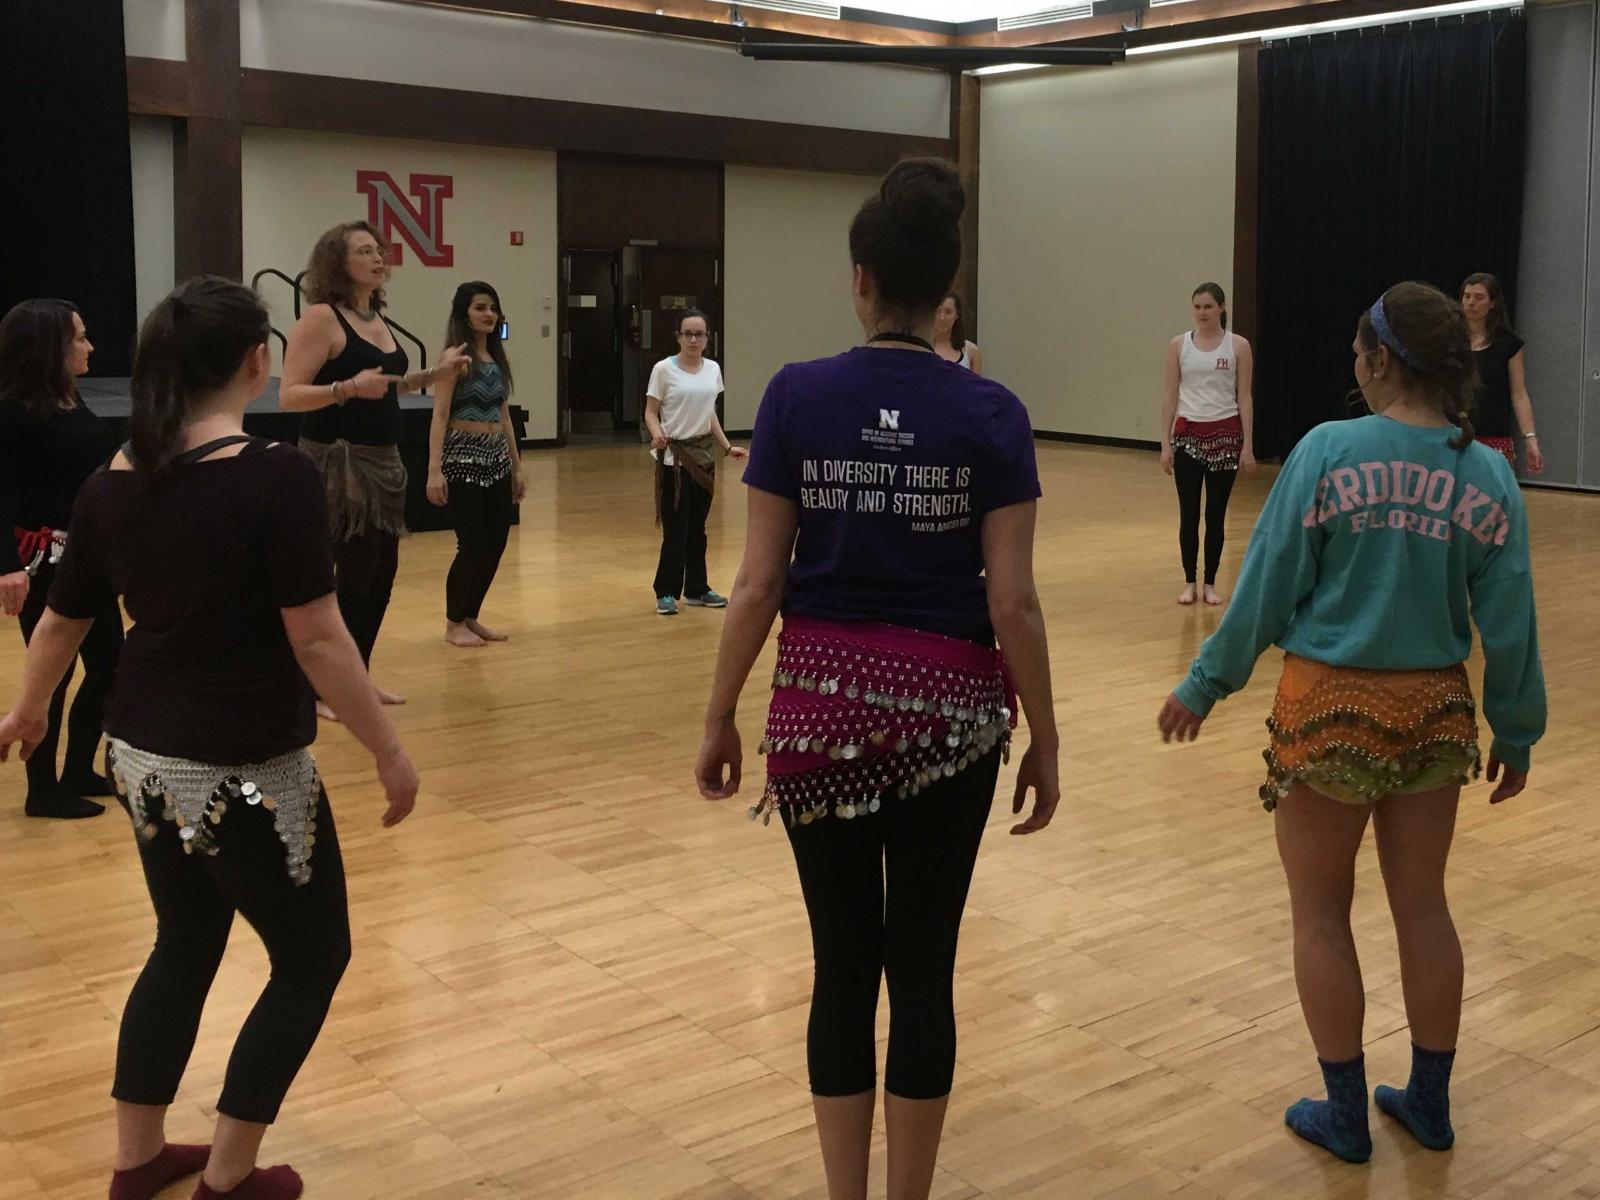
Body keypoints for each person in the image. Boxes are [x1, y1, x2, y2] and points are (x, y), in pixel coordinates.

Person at [0, 278, 420, 1200]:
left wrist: (29, 709)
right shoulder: (274, 475)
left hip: (143, 757)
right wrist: (387, 748)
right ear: (255, 362)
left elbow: (62, 623)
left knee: (185, 941)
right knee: (313, 957)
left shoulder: (117, 473)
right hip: (244, 764)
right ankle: (229, 1179)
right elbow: (317, 637)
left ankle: (138, 1158)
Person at [695, 158, 1060, 1200]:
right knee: (924, 965)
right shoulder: (992, 414)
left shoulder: (796, 395)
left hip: (817, 715)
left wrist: (719, 715)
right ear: (943, 289)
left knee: (843, 964)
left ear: (860, 281)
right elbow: (1012, 602)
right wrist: (1045, 734)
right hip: (954, 720)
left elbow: (759, 582)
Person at [1158, 281, 1545, 1165]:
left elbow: (1266, 585)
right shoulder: (1485, 473)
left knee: (1321, 912)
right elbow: (1512, 623)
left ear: (1379, 361)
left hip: (1328, 711)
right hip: (1437, 716)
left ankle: (1342, 1112)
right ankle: (1430, 1103)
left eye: (1356, 354)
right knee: (1423, 910)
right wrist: (1516, 732)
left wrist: (1205, 682)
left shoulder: (1329, 452)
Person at [279, 221, 469, 710]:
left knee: (381, 573)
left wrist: (434, 374)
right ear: (338, 264)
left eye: (378, 250)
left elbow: (387, 384)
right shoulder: (321, 318)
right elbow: (289, 395)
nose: (379, 258)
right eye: (365, 251)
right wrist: (343, 389)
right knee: (354, 575)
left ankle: (355, 677)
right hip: (336, 464)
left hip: (382, 462)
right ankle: (324, 686)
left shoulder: (377, 318)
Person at [0, 298, 124, 818]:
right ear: (50, 347)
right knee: (53, 671)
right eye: (79, 337)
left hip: (84, 558)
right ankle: (42, 787)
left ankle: (77, 768)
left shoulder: (70, 400)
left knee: (110, 665)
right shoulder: (12, 411)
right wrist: (6, 564)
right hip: (43, 559)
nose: (89, 346)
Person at [425, 281, 525, 647]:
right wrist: (434, 469)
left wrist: (516, 466)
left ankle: (470, 615)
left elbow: (504, 415)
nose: (488, 314)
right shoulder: (454, 358)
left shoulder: (497, 359)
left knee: (496, 540)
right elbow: (439, 414)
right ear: (464, 313)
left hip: (495, 455)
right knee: (472, 543)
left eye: (492, 308)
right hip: (462, 455)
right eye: (480, 307)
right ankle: (453, 623)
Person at [644, 309, 746, 616]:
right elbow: (650, 411)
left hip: (703, 459)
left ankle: (698, 589)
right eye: (687, 334)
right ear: (678, 337)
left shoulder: (712, 369)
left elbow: (709, 412)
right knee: (676, 529)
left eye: (699, 334)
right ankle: (666, 591)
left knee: (698, 528)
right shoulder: (664, 369)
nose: (693, 339)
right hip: (674, 460)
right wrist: (657, 433)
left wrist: (727, 447)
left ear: (707, 338)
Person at [1159, 283, 1256, 606]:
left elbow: (1244, 397)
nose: (1202, 313)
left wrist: (1248, 446)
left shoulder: (1238, 346)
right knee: (1189, 514)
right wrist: (1165, 444)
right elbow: (1170, 395)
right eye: (1197, 307)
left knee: (1216, 515)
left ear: (1221, 308)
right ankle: (1189, 581)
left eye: (1208, 307)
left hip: (1226, 438)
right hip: (1187, 437)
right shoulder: (1178, 345)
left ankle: (1210, 583)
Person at [1460, 272, 1544, 474]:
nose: (1471, 302)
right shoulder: (1451, 341)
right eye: (1467, 296)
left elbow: (1519, 393)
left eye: (1479, 297)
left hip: (1493, 436)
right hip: (1454, 434)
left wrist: (1530, 437)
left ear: (1492, 303)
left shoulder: (1509, 344)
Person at [932, 292, 982, 374]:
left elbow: (976, 385)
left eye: (948, 312)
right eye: (938, 311)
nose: (942, 317)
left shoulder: (971, 351)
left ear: (957, 315)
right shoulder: (921, 349)